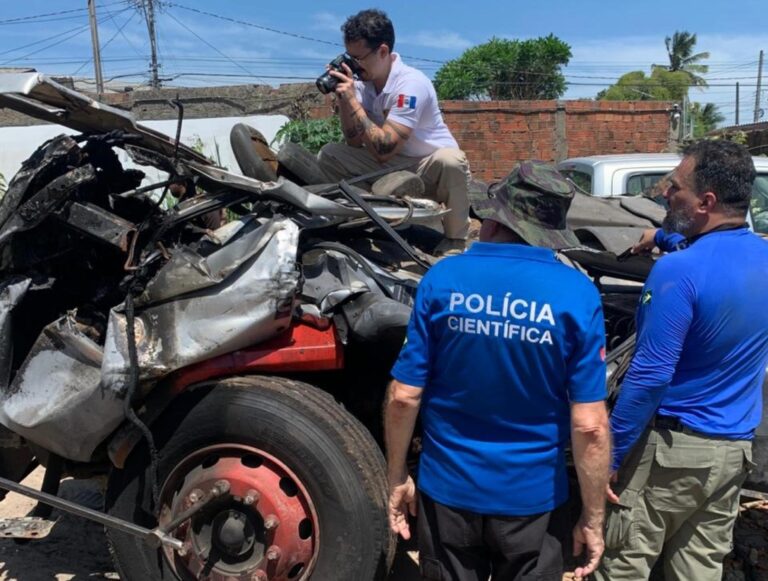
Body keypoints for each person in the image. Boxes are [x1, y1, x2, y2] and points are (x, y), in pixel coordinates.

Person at [384, 160, 611, 580]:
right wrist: (592, 519)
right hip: (533, 501)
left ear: (493, 218)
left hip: (448, 493)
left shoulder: (443, 278)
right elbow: (590, 426)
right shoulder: (576, 293)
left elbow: (404, 395)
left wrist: (397, 477)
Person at [595, 140, 768, 581]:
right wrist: (664, 237)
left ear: (706, 202)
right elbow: (717, 254)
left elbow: (650, 376)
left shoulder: (678, 272)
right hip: (733, 454)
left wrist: (610, 456)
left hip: (670, 454)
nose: (665, 193)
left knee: (622, 566)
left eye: (675, 187)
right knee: (698, 570)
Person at [316, 9, 471, 256]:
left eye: (358, 58)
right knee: (331, 154)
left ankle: (455, 241)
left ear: (383, 51)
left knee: (451, 160)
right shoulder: (362, 84)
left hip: (426, 166)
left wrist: (354, 103)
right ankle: (372, 217)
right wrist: (345, 99)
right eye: (349, 57)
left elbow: (384, 150)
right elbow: (354, 141)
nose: (353, 66)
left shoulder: (411, 84)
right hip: (391, 169)